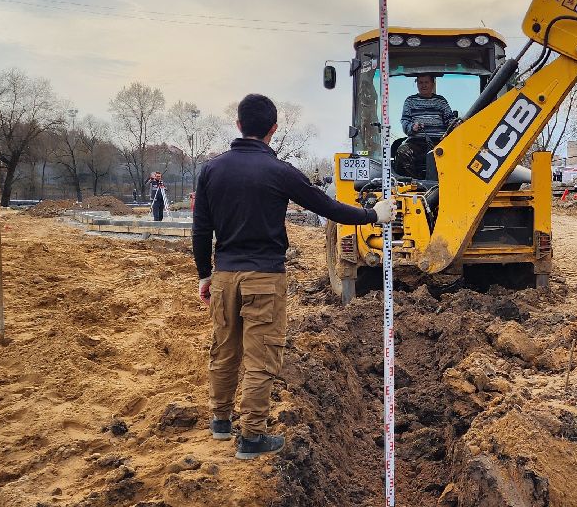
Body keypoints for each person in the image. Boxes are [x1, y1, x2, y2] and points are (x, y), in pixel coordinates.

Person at [192, 93, 393, 460]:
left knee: (224, 350)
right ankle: (251, 437)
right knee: (261, 357)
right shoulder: (279, 172)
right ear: (273, 129)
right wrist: (374, 216)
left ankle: (220, 422)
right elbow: (327, 207)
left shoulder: (211, 170)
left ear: (238, 125)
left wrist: (205, 274)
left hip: (223, 277)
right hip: (264, 279)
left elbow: (201, 229)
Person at [399, 75, 458, 207]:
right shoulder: (410, 101)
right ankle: (417, 184)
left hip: (439, 142)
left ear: (432, 84)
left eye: (426, 82)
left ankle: (450, 185)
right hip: (417, 142)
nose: (423, 85)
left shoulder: (441, 101)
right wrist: (412, 127)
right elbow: (405, 122)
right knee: (403, 152)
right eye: (420, 82)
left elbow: (449, 119)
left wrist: (454, 125)